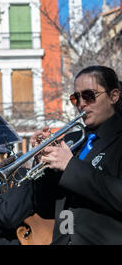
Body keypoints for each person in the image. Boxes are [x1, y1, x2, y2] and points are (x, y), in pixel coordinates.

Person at [33, 65, 122, 245]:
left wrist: (70, 166)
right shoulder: (73, 139)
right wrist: (43, 164)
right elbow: (45, 208)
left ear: (114, 96)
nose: (81, 104)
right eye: (76, 98)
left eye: (89, 96)